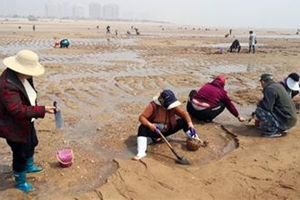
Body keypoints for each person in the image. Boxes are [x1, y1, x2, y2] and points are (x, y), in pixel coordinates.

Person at [0, 50, 56, 192]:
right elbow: (17, 110)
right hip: (13, 126)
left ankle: (29, 166)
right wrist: (42, 110)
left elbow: (27, 96)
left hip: (26, 121)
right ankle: (20, 181)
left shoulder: (24, 76)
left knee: (32, 142)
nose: (31, 73)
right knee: (20, 153)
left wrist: (36, 110)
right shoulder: (7, 84)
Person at [133, 89, 200, 160]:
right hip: (156, 130)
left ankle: (196, 139)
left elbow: (184, 114)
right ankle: (141, 152)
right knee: (142, 128)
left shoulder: (173, 107)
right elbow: (142, 117)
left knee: (183, 122)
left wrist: (190, 124)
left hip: (169, 128)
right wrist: (150, 125)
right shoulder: (153, 106)